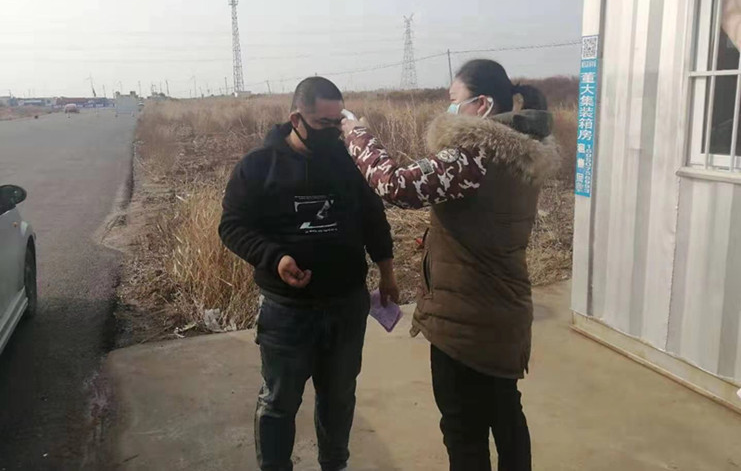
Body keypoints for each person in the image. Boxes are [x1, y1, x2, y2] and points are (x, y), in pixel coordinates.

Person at [341, 59, 559, 471]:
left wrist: (358, 136)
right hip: (504, 311)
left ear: (483, 105)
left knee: (464, 429)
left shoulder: (476, 157)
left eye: (455, 98)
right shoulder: (519, 153)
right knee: (505, 415)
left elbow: (396, 185)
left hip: (467, 322)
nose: (449, 107)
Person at [219, 76, 398, 471]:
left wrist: (386, 270)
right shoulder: (258, 167)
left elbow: (373, 219)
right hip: (287, 311)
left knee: (339, 397)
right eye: (323, 124)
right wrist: (275, 258)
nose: (334, 132)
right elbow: (232, 227)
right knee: (278, 401)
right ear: (296, 119)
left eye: (339, 122)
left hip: (346, 305)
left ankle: (335, 464)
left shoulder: (350, 162)